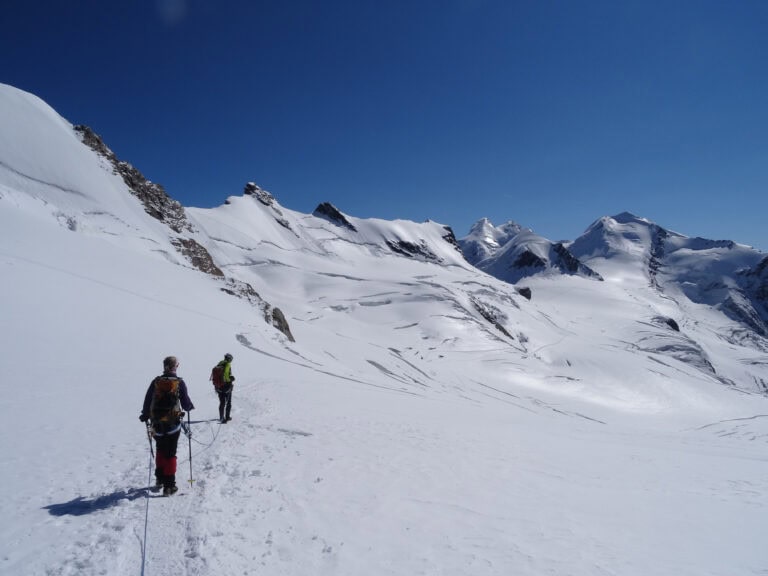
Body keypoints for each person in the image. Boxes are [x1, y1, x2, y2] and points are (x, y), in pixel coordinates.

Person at [139, 356, 194, 496]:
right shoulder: (179, 382)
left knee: (160, 450)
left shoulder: (156, 382)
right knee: (171, 453)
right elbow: (186, 403)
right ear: (175, 366)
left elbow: (147, 400)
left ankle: (159, 478)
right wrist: (189, 407)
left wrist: (145, 414)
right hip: (172, 425)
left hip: (156, 424)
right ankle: (169, 486)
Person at [215, 353, 235, 423]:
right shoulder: (227, 364)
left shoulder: (220, 363)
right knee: (228, 402)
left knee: (222, 402)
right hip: (226, 386)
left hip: (218, 386)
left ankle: (221, 417)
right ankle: (227, 417)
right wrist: (231, 379)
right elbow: (226, 376)